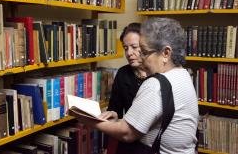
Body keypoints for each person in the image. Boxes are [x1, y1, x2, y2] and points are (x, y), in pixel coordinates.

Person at [71, 18, 199, 154]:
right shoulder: (184, 75)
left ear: (166, 53)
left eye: (144, 52)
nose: (141, 58)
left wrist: (88, 120)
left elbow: (127, 133)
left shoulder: (156, 84)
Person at [106, 22, 147, 154]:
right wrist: (113, 114)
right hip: (129, 138)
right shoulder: (123, 73)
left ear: (146, 46)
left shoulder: (159, 74)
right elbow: (115, 108)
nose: (129, 53)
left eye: (134, 47)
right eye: (125, 48)